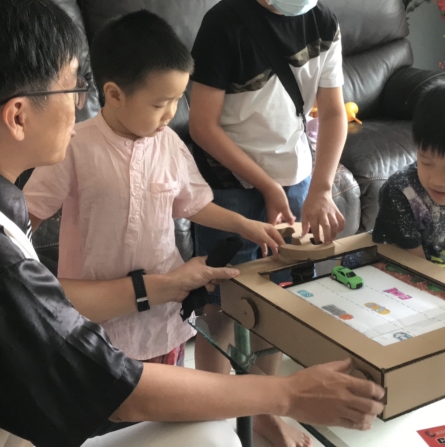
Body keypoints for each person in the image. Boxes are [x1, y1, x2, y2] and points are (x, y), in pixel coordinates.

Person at [0, 1, 385, 446]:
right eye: (74, 88)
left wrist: (167, 284)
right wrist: (288, 394)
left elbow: (48, 304)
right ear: (18, 115)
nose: (82, 103)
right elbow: (118, 387)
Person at [23, 10, 284, 368]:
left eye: (178, 100)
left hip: (163, 312)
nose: (170, 114)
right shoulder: (74, 147)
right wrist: (29, 278)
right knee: (111, 410)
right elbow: (27, 216)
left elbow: (192, 204)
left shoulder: (170, 144)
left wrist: (244, 224)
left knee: (168, 411)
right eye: (160, 104)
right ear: (114, 95)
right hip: (98, 317)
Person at [188, 0, 348, 446]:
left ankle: (264, 412)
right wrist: (265, 187)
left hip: (296, 181)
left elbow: (333, 113)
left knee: (276, 308)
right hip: (229, 186)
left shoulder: (323, 21)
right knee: (220, 305)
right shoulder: (223, 23)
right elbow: (202, 126)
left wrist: (321, 187)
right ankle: (215, 422)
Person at [373, 85, 445, 263]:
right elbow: (416, 266)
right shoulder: (400, 192)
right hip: (406, 271)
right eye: (426, 162)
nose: (438, 180)